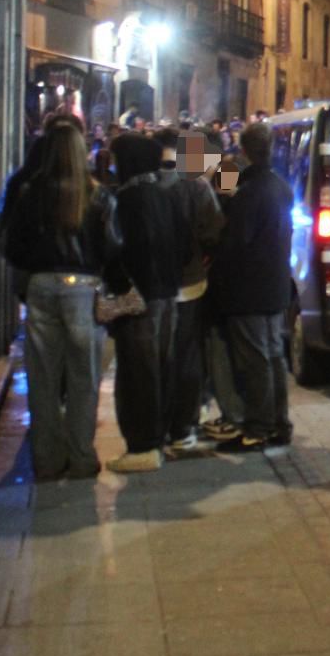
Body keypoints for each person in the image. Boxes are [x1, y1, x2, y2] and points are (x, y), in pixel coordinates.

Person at [3, 123, 121, 481]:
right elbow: (113, 248)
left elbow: (13, 246)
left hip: (41, 285)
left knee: (43, 379)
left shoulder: (29, 194)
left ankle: (47, 459)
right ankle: (82, 456)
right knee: (84, 377)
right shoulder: (98, 195)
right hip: (84, 288)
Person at [104, 133, 193, 472]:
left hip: (139, 298)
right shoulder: (167, 196)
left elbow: (113, 250)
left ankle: (143, 445)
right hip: (168, 295)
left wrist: (120, 286)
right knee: (161, 367)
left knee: (138, 371)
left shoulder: (124, 201)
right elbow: (187, 245)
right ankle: (160, 437)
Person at [210, 123, 296, 452]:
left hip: (250, 290)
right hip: (275, 286)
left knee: (256, 361)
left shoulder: (249, 192)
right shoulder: (279, 186)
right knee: (273, 356)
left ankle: (258, 427)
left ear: (243, 151)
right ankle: (279, 423)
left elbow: (234, 243)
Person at [154, 128, 226, 455]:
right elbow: (217, 230)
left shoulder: (143, 184)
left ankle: (159, 426)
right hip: (192, 283)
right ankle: (183, 426)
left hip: (155, 287)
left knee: (159, 357)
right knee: (187, 355)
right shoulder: (199, 184)